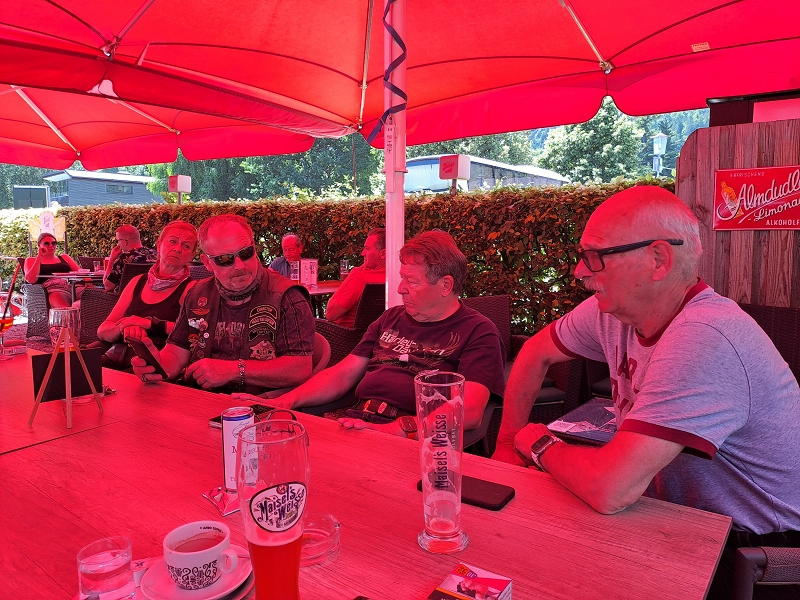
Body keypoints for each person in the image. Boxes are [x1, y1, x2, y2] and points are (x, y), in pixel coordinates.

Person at [491, 186, 800, 600]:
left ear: (659, 260)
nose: (579, 272)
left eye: (595, 256)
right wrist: (506, 444)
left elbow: (610, 489)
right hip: (673, 515)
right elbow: (534, 353)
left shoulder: (706, 336)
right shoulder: (614, 311)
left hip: (755, 555)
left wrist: (537, 443)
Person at [236, 230, 506, 438]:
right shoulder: (391, 318)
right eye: (402, 278)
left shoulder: (478, 332)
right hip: (357, 423)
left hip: (414, 440)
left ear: (445, 285)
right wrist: (284, 401)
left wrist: (396, 431)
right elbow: (342, 374)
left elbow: (469, 410)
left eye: (411, 281)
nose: (400, 288)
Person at [131, 214, 315, 394]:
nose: (240, 265)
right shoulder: (197, 293)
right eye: (225, 259)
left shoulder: (288, 297)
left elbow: (300, 368)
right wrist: (157, 365)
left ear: (254, 249)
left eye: (246, 253)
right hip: (197, 399)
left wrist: (233, 371)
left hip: (256, 405)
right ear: (207, 263)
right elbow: (176, 351)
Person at [96, 221, 198, 369]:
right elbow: (103, 330)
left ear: (192, 255)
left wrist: (150, 324)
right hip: (116, 356)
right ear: (159, 245)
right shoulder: (138, 282)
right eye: (173, 241)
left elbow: (194, 333)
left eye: (186, 246)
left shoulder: (192, 289)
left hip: (155, 364)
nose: (177, 249)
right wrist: (125, 327)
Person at [325, 228, 386, 327]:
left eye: (367, 248)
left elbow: (330, 314)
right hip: (376, 332)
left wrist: (353, 273)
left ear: (383, 253)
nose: (362, 253)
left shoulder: (361, 277)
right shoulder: (397, 277)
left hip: (343, 334)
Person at [23, 232, 80, 308]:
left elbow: (81, 272)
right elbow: (31, 280)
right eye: (46, 243)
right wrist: (39, 256)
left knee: (93, 297)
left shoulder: (64, 257)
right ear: (39, 245)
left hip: (73, 285)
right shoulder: (31, 260)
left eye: (54, 243)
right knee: (65, 309)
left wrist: (89, 282)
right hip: (54, 288)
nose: (51, 246)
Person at [103, 225, 157, 292]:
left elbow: (107, 286)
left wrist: (111, 259)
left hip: (127, 297)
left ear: (125, 242)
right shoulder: (155, 254)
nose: (118, 244)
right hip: (150, 295)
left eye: (118, 240)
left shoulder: (125, 258)